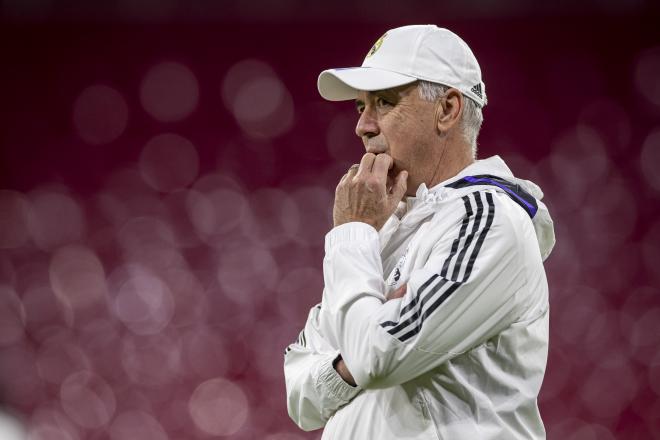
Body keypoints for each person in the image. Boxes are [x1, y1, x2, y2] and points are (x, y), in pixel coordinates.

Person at [283, 24, 555, 439]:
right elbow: (300, 397)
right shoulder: (385, 227)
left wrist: (353, 233)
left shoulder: (489, 219)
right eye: (360, 106)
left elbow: (377, 357)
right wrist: (356, 354)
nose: (363, 126)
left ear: (447, 109)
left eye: (385, 102)